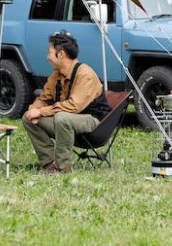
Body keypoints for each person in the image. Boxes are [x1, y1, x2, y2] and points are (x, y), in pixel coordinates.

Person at [22, 31, 111, 174]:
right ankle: (50, 164)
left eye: (49, 53)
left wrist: (41, 111)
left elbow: (73, 106)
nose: (47, 57)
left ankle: (63, 168)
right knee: (27, 117)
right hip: (67, 122)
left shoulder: (85, 73)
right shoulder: (56, 76)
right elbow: (43, 98)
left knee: (62, 118)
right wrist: (34, 110)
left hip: (94, 122)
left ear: (61, 54)